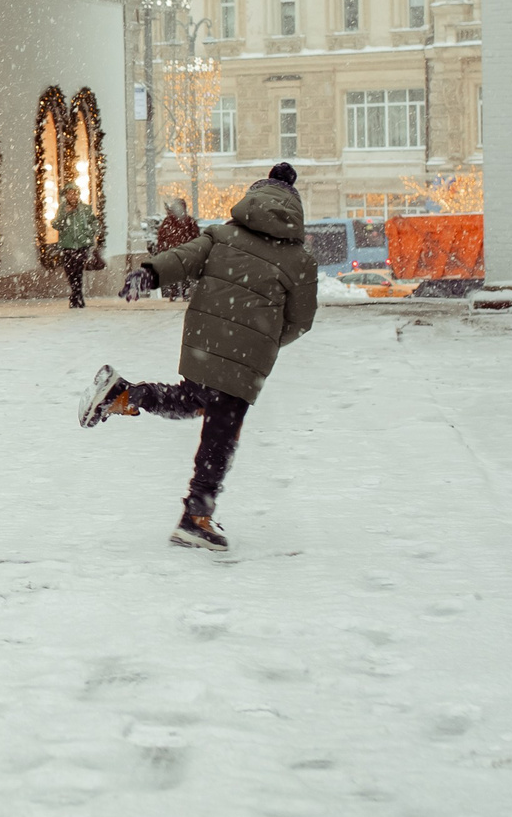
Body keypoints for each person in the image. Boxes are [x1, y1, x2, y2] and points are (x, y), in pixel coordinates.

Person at [77, 162, 317, 552]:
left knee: (192, 400)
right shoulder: (300, 261)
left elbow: (182, 259)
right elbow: (301, 321)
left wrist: (147, 275)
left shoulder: (222, 235)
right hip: (247, 358)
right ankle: (196, 518)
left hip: (204, 340)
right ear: (293, 211)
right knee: (219, 435)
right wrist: (267, 339)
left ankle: (123, 394)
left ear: (252, 200)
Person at [51, 182, 99, 307]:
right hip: (67, 245)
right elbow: (56, 224)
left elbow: (95, 223)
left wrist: (89, 233)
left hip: (81, 245)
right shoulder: (62, 209)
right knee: (70, 271)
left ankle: (77, 296)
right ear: (66, 196)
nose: (72, 196)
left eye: (74, 193)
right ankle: (76, 294)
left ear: (78, 194)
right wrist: (65, 214)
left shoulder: (85, 209)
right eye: (69, 194)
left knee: (78, 271)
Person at [151, 195, 201, 298]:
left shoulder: (172, 222)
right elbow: (196, 236)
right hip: (181, 251)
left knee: (176, 272)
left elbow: (162, 236)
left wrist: (162, 248)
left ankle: (177, 291)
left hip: (176, 251)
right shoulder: (187, 221)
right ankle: (181, 291)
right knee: (182, 272)